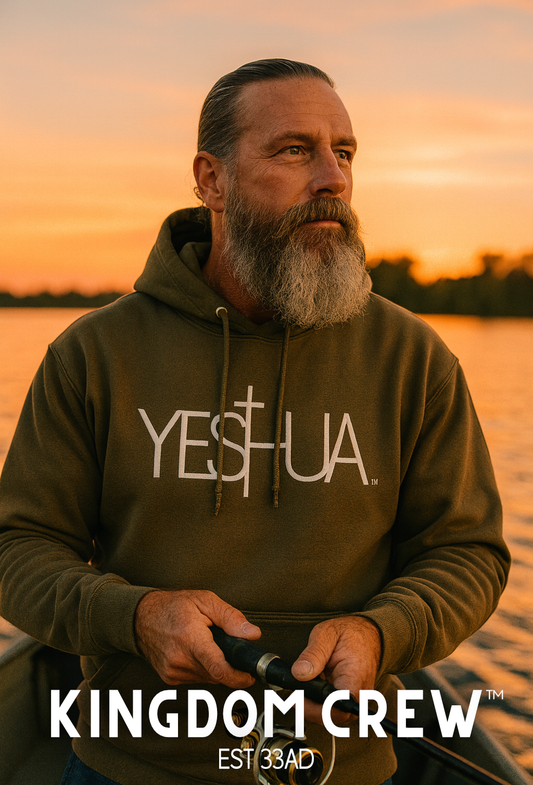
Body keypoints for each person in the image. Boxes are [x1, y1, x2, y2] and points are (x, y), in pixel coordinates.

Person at [0, 59, 509, 785]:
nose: (332, 177)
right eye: (294, 150)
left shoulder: (411, 358)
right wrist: (134, 615)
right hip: (131, 766)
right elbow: (17, 547)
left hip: (341, 768)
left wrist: (379, 631)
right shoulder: (94, 354)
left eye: (345, 152)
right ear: (211, 179)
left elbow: (468, 552)